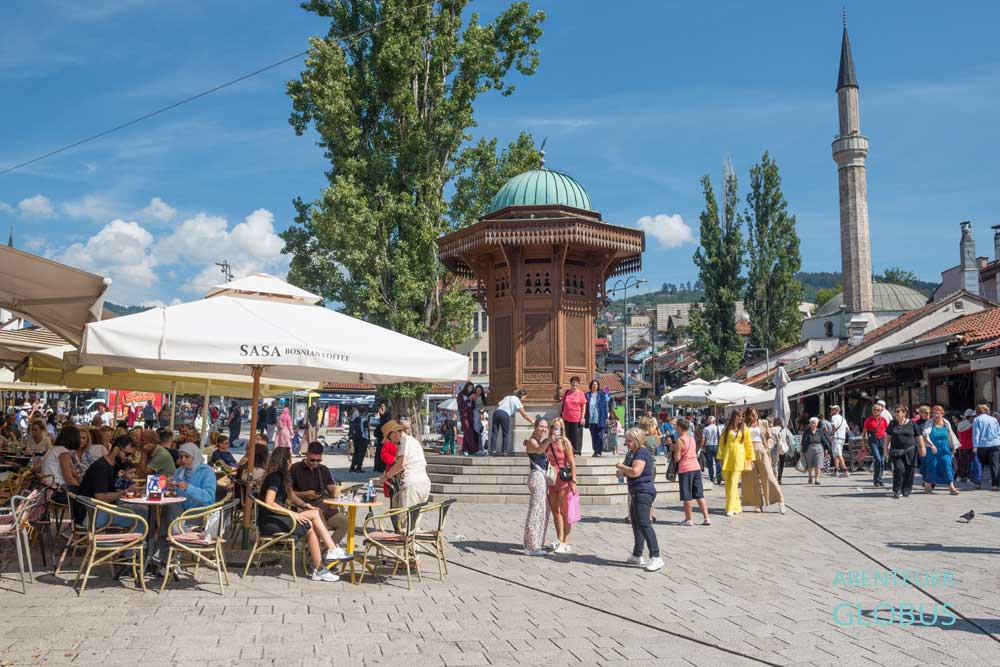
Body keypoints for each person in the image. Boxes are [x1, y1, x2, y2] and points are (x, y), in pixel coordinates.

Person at [258, 448, 342, 582]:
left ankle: (320, 568)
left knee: (311, 522)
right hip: (270, 521)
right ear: (286, 461)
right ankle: (331, 550)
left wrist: (305, 505)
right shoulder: (275, 477)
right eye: (290, 459)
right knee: (315, 514)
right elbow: (269, 501)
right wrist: (293, 514)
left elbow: (291, 497)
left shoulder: (282, 476)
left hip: (277, 518)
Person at [616, 427, 662, 571]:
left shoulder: (642, 453)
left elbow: (636, 472)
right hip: (636, 492)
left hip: (643, 492)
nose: (626, 443)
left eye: (629, 441)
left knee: (644, 524)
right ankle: (637, 554)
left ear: (637, 440)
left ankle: (656, 556)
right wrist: (623, 472)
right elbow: (633, 472)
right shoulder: (635, 453)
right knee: (636, 524)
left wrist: (622, 467)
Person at [73, 435, 140, 529]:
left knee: (139, 510)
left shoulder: (113, 465)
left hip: (97, 510)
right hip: (90, 515)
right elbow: (101, 497)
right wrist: (125, 491)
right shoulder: (101, 467)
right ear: (116, 450)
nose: (128, 458)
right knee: (142, 515)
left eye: (131, 456)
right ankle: (138, 538)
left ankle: (130, 537)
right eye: (127, 454)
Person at [290, 442, 350, 546]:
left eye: (318, 460)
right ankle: (325, 549)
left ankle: (326, 550)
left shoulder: (323, 469)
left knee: (345, 521)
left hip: (324, 508)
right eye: (312, 460)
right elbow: (289, 493)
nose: (315, 463)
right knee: (318, 519)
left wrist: (336, 491)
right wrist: (305, 494)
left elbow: (331, 487)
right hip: (303, 508)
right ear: (307, 454)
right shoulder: (295, 469)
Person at [383, 419, 432, 528]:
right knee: (413, 526)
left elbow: (401, 464)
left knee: (405, 526)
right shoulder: (413, 441)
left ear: (394, 433)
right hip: (423, 483)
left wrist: (386, 476)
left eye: (389, 438)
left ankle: (407, 538)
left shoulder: (404, 441)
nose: (390, 442)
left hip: (412, 485)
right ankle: (412, 539)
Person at [741, 408, 786, 514]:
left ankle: (781, 501)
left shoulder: (763, 422)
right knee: (752, 478)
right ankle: (758, 504)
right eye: (752, 415)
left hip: (761, 450)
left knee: (769, 476)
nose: (754, 416)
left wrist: (767, 446)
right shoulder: (745, 425)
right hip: (749, 452)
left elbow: (770, 437)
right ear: (748, 416)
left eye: (755, 414)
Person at [544, 418, 577, 553]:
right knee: (555, 510)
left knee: (564, 510)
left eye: (557, 428)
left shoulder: (565, 443)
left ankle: (566, 541)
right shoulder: (548, 442)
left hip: (563, 479)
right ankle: (559, 538)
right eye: (553, 427)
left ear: (562, 429)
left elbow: (572, 463)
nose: (555, 430)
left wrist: (574, 481)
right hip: (551, 479)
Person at [522, 417, 550, 556]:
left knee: (541, 510)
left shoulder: (538, 441)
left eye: (546, 427)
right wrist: (549, 441)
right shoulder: (533, 441)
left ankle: (534, 542)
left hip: (541, 477)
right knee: (536, 511)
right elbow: (538, 451)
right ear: (535, 427)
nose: (543, 429)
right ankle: (532, 546)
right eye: (541, 426)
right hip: (537, 477)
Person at [674, 419, 710, 526]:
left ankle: (689, 520)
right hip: (696, 467)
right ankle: (706, 518)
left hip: (685, 469)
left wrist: (673, 451)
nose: (675, 428)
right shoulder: (692, 438)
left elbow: (677, 458)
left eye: (676, 426)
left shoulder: (680, 440)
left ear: (680, 427)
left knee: (687, 495)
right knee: (699, 495)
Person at [718, 411, 753, 517]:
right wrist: (720, 457)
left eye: (742, 416)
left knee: (733, 483)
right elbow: (721, 444)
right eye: (738, 416)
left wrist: (750, 458)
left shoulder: (745, 429)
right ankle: (737, 506)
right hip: (727, 457)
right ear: (734, 416)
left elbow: (749, 444)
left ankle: (729, 508)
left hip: (739, 458)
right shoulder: (726, 429)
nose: (740, 418)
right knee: (728, 484)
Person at [886, 406, 926, 499]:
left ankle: (906, 489)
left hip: (910, 451)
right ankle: (897, 490)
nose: (896, 413)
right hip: (896, 451)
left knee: (910, 471)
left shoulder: (912, 423)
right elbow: (887, 438)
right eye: (895, 411)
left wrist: (922, 448)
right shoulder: (892, 424)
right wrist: (885, 451)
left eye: (898, 411)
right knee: (899, 469)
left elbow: (919, 437)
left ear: (904, 413)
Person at [920, 405, 960, 495]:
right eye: (934, 413)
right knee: (932, 466)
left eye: (938, 413)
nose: (936, 415)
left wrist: (953, 447)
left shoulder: (946, 423)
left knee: (947, 466)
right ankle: (927, 485)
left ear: (942, 414)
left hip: (945, 448)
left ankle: (951, 488)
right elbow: (925, 435)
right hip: (932, 448)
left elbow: (951, 435)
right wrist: (931, 445)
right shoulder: (929, 423)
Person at [40, 425, 85, 502]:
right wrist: (82, 490)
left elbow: (73, 473)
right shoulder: (63, 452)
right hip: (56, 491)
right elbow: (69, 478)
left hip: (46, 488)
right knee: (85, 499)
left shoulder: (54, 449)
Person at [490, 389, 533, 456]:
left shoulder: (507, 397)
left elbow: (499, 403)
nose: (524, 399)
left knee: (494, 433)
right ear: (522, 396)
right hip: (504, 415)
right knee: (505, 434)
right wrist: (532, 421)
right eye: (525, 397)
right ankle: (504, 452)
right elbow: (524, 414)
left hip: (496, 413)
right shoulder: (517, 400)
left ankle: (493, 451)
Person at [971, 403, 1000, 490]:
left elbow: (976, 434)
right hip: (995, 444)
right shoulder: (993, 419)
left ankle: (978, 483)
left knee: (980, 465)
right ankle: (995, 485)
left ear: (977, 411)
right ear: (987, 411)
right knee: (995, 464)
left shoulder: (977, 420)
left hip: (982, 445)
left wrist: (975, 446)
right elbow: (998, 432)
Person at [862, 403, 889, 487]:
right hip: (873, 440)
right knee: (878, 459)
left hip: (882, 440)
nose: (876, 411)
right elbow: (864, 433)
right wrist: (863, 445)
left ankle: (879, 479)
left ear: (881, 411)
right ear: (872, 410)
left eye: (878, 410)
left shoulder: (883, 420)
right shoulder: (868, 420)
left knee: (882, 461)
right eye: (874, 409)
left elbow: (887, 432)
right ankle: (876, 479)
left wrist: (888, 443)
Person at [560, 377, 587, 456]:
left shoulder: (581, 393)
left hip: (576, 418)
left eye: (576, 382)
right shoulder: (567, 392)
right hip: (566, 417)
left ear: (578, 384)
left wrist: (582, 417)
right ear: (570, 383)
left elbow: (584, 406)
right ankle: (567, 451)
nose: (575, 384)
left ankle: (575, 451)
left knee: (576, 436)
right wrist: (560, 415)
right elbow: (563, 404)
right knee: (567, 436)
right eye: (573, 382)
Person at [800, 417, 830, 485]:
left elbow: (824, 440)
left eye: (814, 423)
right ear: (810, 424)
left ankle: (817, 479)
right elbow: (803, 441)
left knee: (818, 465)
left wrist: (826, 449)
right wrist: (802, 450)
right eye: (811, 423)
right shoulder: (806, 431)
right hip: (809, 449)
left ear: (817, 424)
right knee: (810, 465)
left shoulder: (820, 431)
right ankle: (810, 477)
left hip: (819, 449)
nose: (813, 424)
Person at [584, 381, 611, 457]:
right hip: (591, 419)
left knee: (599, 436)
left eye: (596, 384)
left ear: (598, 386)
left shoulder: (601, 395)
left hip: (600, 418)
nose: (594, 386)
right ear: (591, 386)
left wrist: (606, 418)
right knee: (593, 436)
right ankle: (595, 450)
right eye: (593, 384)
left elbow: (605, 407)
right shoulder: (587, 395)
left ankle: (598, 451)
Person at [770, 418, 794, 484]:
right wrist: (791, 449)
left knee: (774, 464)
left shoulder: (771, 429)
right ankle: (779, 479)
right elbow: (791, 439)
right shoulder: (785, 430)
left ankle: (774, 477)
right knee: (781, 464)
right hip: (782, 448)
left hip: (773, 449)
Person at [457, 383, 478, 455]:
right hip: (464, 416)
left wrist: (474, 400)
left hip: (470, 416)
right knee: (468, 432)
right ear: (466, 387)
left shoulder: (471, 395)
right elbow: (461, 405)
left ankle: (465, 450)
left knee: (467, 433)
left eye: (472, 388)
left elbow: (472, 407)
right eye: (470, 388)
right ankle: (475, 449)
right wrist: (468, 399)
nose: (471, 389)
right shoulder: (461, 395)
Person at [955, 409, 975, 482]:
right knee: (969, 462)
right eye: (973, 416)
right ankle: (967, 476)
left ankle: (960, 476)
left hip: (962, 446)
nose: (974, 418)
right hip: (969, 446)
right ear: (969, 417)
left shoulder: (960, 424)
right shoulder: (972, 425)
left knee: (962, 462)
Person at [829, 405, 849, 477]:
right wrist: (842, 432)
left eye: (833, 409)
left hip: (836, 438)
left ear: (836, 410)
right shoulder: (843, 419)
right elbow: (848, 429)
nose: (831, 410)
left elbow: (834, 427)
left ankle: (845, 471)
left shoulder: (833, 417)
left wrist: (832, 435)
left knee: (839, 454)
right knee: (836, 454)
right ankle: (836, 470)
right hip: (842, 438)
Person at [700, 415, 721, 484]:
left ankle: (712, 478)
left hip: (708, 446)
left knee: (710, 463)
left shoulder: (705, 429)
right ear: (714, 421)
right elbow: (720, 437)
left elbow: (703, 439)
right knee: (717, 461)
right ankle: (718, 475)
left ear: (708, 421)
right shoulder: (717, 428)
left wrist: (701, 447)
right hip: (716, 445)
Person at [348, 408, 369, 473]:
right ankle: (358, 468)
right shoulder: (364, 420)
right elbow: (366, 430)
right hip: (363, 438)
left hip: (355, 438)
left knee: (356, 453)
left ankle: (352, 467)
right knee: (361, 453)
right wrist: (368, 438)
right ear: (364, 413)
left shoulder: (355, 419)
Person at [372, 403, 391, 470]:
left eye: (382, 407)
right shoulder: (387, 422)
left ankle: (380, 467)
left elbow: (375, 434)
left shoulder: (382, 423)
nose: (381, 409)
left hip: (383, 442)